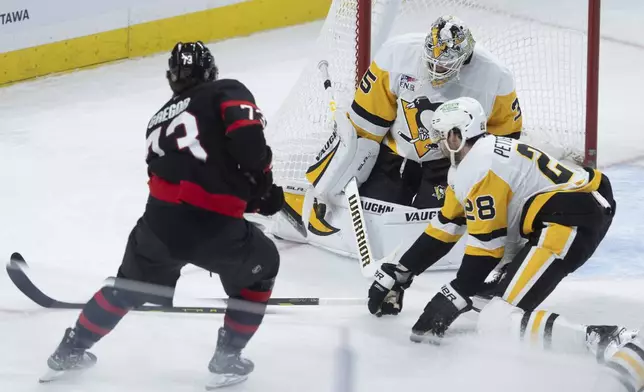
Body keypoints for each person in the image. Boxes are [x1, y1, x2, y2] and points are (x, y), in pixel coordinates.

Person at [42, 41, 284, 389]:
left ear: (172, 78)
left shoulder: (156, 120)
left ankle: (70, 348)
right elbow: (248, 147)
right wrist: (262, 188)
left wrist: (254, 200)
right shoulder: (226, 90)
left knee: (124, 286)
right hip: (212, 226)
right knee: (263, 265)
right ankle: (228, 356)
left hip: (158, 224)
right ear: (211, 72)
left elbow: (194, 173)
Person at [366, 96, 618, 343]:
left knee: (497, 320)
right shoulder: (473, 161)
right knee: (482, 298)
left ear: (457, 135)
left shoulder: (481, 167)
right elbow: (445, 226)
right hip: (571, 208)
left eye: (440, 134)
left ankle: (603, 341)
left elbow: (486, 249)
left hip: (570, 222)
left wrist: (454, 294)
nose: (437, 142)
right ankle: (507, 281)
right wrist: (402, 272)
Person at [305, 15, 523, 211]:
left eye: (444, 65)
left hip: (448, 162)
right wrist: (336, 178)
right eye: (432, 61)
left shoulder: (496, 79)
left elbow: (502, 142)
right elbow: (363, 128)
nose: (435, 70)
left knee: (440, 219)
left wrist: (482, 180)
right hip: (395, 155)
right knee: (375, 207)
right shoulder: (395, 56)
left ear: (465, 58)